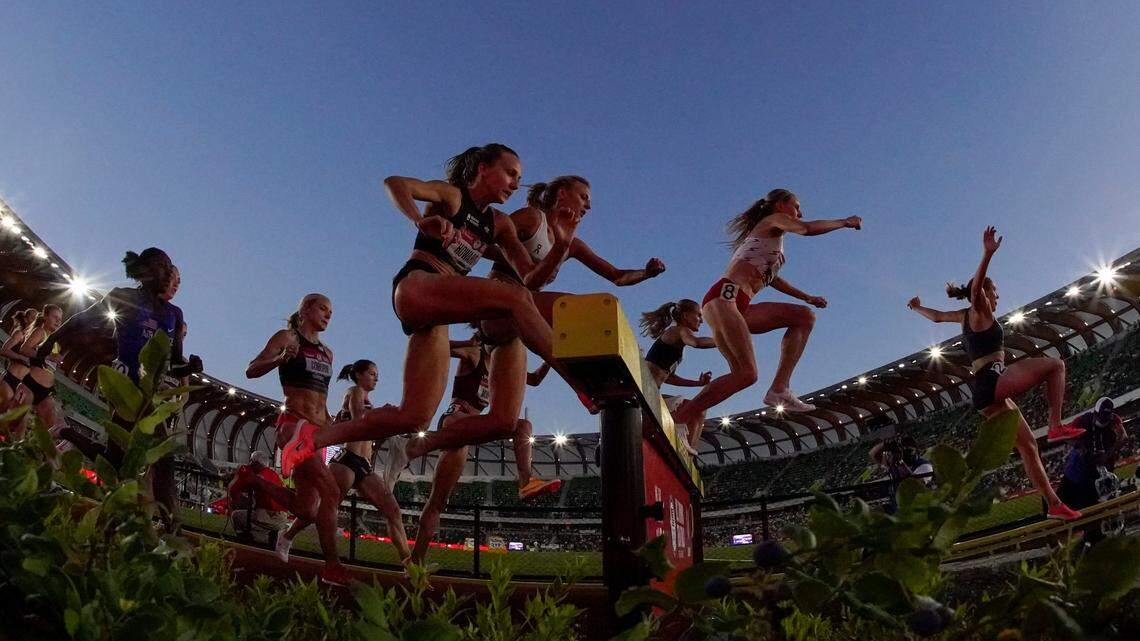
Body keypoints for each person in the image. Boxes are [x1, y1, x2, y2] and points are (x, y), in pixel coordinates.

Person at [282, 144, 556, 471]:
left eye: (519, 178)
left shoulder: (497, 224)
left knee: (414, 416)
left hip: (438, 313)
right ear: (483, 168)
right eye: (510, 173)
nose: (514, 184)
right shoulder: (453, 196)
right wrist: (418, 220)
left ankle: (311, 439)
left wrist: (560, 249)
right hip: (416, 287)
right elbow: (395, 183)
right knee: (514, 299)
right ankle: (573, 369)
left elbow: (529, 275)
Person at [400, 175, 666, 470]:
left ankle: (421, 444)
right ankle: (586, 385)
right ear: (562, 195)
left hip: (519, 324)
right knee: (575, 308)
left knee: (503, 422)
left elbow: (617, 276)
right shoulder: (531, 218)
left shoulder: (572, 244)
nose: (589, 204)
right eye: (584, 196)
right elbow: (496, 245)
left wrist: (646, 272)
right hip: (497, 310)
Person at [907, 226, 1083, 520]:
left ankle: (1054, 505)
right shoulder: (979, 310)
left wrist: (916, 308)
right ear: (985, 293)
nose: (997, 298)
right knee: (1055, 365)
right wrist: (987, 254)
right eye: (995, 292)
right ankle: (1055, 425)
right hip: (991, 380)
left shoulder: (963, 317)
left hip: (986, 393)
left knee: (1028, 447)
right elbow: (975, 289)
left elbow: (937, 317)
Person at [37, 250, 201, 526]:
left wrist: (191, 368)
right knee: (163, 459)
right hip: (123, 385)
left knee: (116, 460)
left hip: (148, 391)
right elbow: (77, 321)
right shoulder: (123, 296)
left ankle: (67, 433)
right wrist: (44, 347)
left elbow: (173, 364)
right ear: (148, 270)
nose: (169, 273)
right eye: (165, 267)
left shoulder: (174, 314)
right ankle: (174, 530)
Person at [672, 189, 859, 427]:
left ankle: (780, 388)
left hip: (738, 305)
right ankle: (681, 417)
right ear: (780, 205)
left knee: (802, 318)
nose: (799, 212)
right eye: (796, 206)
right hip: (724, 297)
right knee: (747, 374)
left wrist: (807, 297)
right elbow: (807, 228)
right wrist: (844, 222)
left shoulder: (770, 243)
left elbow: (772, 280)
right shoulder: (773, 221)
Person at [406, 333, 555, 564]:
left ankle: (415, 561)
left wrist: (551, 356)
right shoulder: (473, 354)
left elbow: (534, 379)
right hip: (455, 417)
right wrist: (467, 342)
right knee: (521, 426)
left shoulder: (499, 365)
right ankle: (525, 480)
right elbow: (437, 346)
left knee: (438, 501)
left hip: (474, 426)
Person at [242, 293, 351, 585]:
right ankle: (332, 566)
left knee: (306, 509)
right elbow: (251, 369)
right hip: (294, 424)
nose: (328, 315)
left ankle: (254, 481)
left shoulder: (328, 353)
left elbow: (321, 398)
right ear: (304, 309)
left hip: (318, 432)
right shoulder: (288, 338)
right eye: (322, 308)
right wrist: (279, 359)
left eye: (331, 311)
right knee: (331, 492)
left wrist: (331, 422)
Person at [273, 359, 411, 565]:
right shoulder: (354, 391)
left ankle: (409, 565)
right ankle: (287, 537)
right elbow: (359, 419)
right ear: (359, 375)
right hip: (347, 460)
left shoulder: (366, 399)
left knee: (392, 510)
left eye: (376, 374)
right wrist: (383, 413)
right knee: (323, 509)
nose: (376, 378)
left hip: (364, 465)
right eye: (372, 373)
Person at [639, 299, 717, 455]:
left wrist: (697, 383)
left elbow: (668, 377)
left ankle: (688, 453)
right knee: (698, 409)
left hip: (652, 394)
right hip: (645, 395)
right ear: (686, 316)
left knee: (698, 410)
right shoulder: (679, 331)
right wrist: (724, 339)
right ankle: (688, 450)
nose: (701, 321)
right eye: (699, 316)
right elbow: (696, 342)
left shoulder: (675, 340)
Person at [1057, 397, 1127, 511]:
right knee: (1065, 501)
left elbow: (1123, 436)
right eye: (1101, 418)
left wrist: (1109, 453)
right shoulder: (1083, 420)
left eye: (1106, 419)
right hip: (1079, 468)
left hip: (1101, 468)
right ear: (1095, 413)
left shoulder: (1114, 420)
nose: (1103, 422)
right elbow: (1062, 433)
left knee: (1095, 502)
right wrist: (1078, 446)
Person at [227, 451, 290, 543]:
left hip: (270, 516)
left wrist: (239, 474)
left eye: (251, 461)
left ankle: (244, 541)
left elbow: (233, 489)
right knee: (255, 521)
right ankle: (266, 540)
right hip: (281, 516)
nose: (249, 464)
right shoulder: (273, 474)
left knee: (236, 516)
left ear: (255, 463)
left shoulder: (258, 476)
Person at [869, 436, 933, 514]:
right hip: (899, 507)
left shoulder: (924, 465)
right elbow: (872, 454)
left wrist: (900, 463)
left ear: (916, 450)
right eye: (903, 449)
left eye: (909, 450)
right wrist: (884, 445)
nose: (906, 453)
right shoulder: (894, 463)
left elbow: (915, 484)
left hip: (917, 507)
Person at [0, 308, 38, 409]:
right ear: (25, 319)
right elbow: (4, 350)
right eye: (32, 317)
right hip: (11, 379)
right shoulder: (19, 334)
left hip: (22, 386)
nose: (35, 320)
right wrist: (21, 357)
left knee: (7, 419)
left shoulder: (34, 342)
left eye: (36, 318)